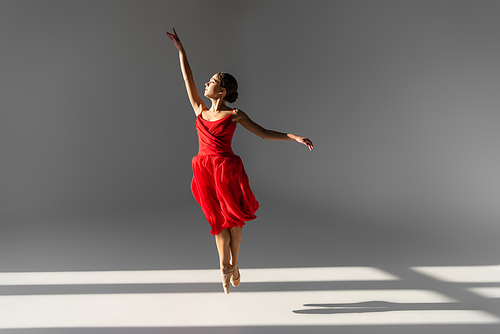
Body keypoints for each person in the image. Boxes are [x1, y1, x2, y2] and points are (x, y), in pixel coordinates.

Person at [166, 28, 313, 294]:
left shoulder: (234, 114)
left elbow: (264, 133)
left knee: (233, 220)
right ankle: (225, 268)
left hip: (226, 169)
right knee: (217, 220)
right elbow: (187, 78)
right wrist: (181, 50)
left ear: (221, 90)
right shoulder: (199, 109)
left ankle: (235, 264)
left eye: (211, 81)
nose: (205, 84)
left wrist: (293, 136)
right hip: (204, 169)